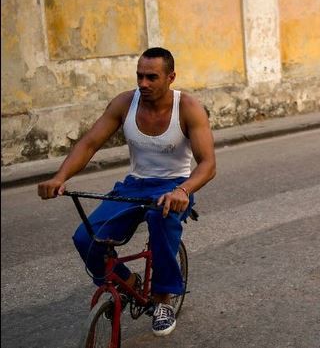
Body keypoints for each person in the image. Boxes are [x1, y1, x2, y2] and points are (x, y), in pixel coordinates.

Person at [37, 47, 216, 336]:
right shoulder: (124, 103)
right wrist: (60, 176)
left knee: (162, 222)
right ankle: (129, 284)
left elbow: (208, 164)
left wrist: (183, 190)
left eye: (151, 77)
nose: (143, 83)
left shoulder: (188, 108)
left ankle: (163, 300)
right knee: (86, 238)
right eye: (139, 76)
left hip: (174, 187)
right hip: (134, 185)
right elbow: (89, 144)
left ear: (170, 77)